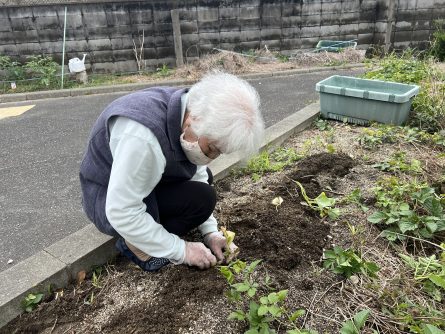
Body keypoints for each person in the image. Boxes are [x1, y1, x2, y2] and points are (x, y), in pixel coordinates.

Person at [79, 72, 264, 272]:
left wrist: (211, 233)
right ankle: (137, 243)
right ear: (193, 121)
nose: (211, 157)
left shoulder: (193, 109)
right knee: (195, 198)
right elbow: (121, 211)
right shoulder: (143, 138)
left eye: (219, 152)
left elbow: (198, 172)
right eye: (211, 149)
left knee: (202, 193)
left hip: (144, 182)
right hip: (106, 199)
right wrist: (181, 250)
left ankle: (148, 233)